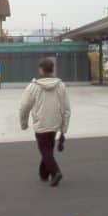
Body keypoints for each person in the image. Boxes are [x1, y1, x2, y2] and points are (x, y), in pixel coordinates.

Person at [19, 57, 71, 187]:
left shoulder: (32, 87)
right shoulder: (61, 86)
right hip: (55, 124)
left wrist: (23, 123)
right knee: (48, 150)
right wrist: (63, 129)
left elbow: (24, 107)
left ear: (41, 70)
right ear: (52, 69)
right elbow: (66, 109)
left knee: (45, 151)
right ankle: (43, 174)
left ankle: (56, 172)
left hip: (40, 124)